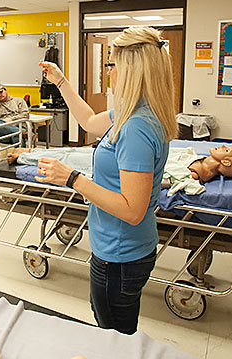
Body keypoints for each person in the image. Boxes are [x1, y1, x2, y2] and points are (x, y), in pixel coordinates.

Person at [37, 26, 177, 335]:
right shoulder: (133, 112)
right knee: (113, 328)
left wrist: (72, 178)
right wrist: (60, 81)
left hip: (121, 256)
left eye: (111, 64)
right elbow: (88, 121)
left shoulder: (137, 127)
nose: (108, 71)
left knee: (114, 335)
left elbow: (132, 210)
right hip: (120, 249)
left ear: (129, 69)